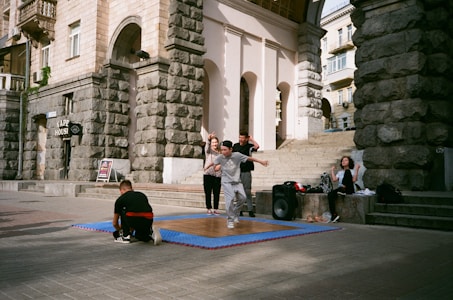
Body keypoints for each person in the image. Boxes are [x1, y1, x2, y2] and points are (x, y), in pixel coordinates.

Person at [214, 140, 269, 229]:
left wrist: (261, 161)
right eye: (222, 150)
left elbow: (249, 158)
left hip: (237, 181)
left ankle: (235, 212)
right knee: (230, 198)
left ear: (231, 149)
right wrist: (219, 166)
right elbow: (215, 167)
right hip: (226, 181)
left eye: (225, 150)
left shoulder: (237, 155)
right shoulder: (220, 157)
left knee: (243, 198)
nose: (223, 152)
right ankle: (230, 220)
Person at [112, 180, 162, 245]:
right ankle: (150, 232)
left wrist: (120, 230)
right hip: (148, 221)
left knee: (123, 210)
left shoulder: (120, 199)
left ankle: (125, 236)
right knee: (141, 237)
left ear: (122, 190)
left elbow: (115, 223)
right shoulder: (142, 195)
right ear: (131, 188)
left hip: (133, 220)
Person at [232, 131, 260, 217]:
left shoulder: (249, 147)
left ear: (246, 139)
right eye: (240, 137)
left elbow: (257, 146)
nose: (241, 139)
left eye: (243, 138)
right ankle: (239, 210)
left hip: (246, 171)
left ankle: (250, 210)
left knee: (247, 191)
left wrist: (252, 139)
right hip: (237, 171)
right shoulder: (235, 146)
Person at [327, 156, 360, 223]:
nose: (343, 162)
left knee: (347, 172)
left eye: (346, 160)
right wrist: (332, 170)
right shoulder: (340, 172)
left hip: (349, 189)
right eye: (342, 161)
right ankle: (334, 215)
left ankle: (343, 190)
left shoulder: (352, 171)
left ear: (349, 162)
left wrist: (356, 169)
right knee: (330, 194)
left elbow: (354, 180)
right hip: (340, 189)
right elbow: (334, 180)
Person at [202, 132, 222, 215]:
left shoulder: (220, 152)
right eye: (213, 142)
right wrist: (209, 139)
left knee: (216, 192)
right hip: (208, 174)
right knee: (208, 192)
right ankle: (209, 208)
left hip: (217, 175)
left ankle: (216, 208)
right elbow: (206, 147)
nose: (214, 144)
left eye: (216, 142)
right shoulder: (209, 151)